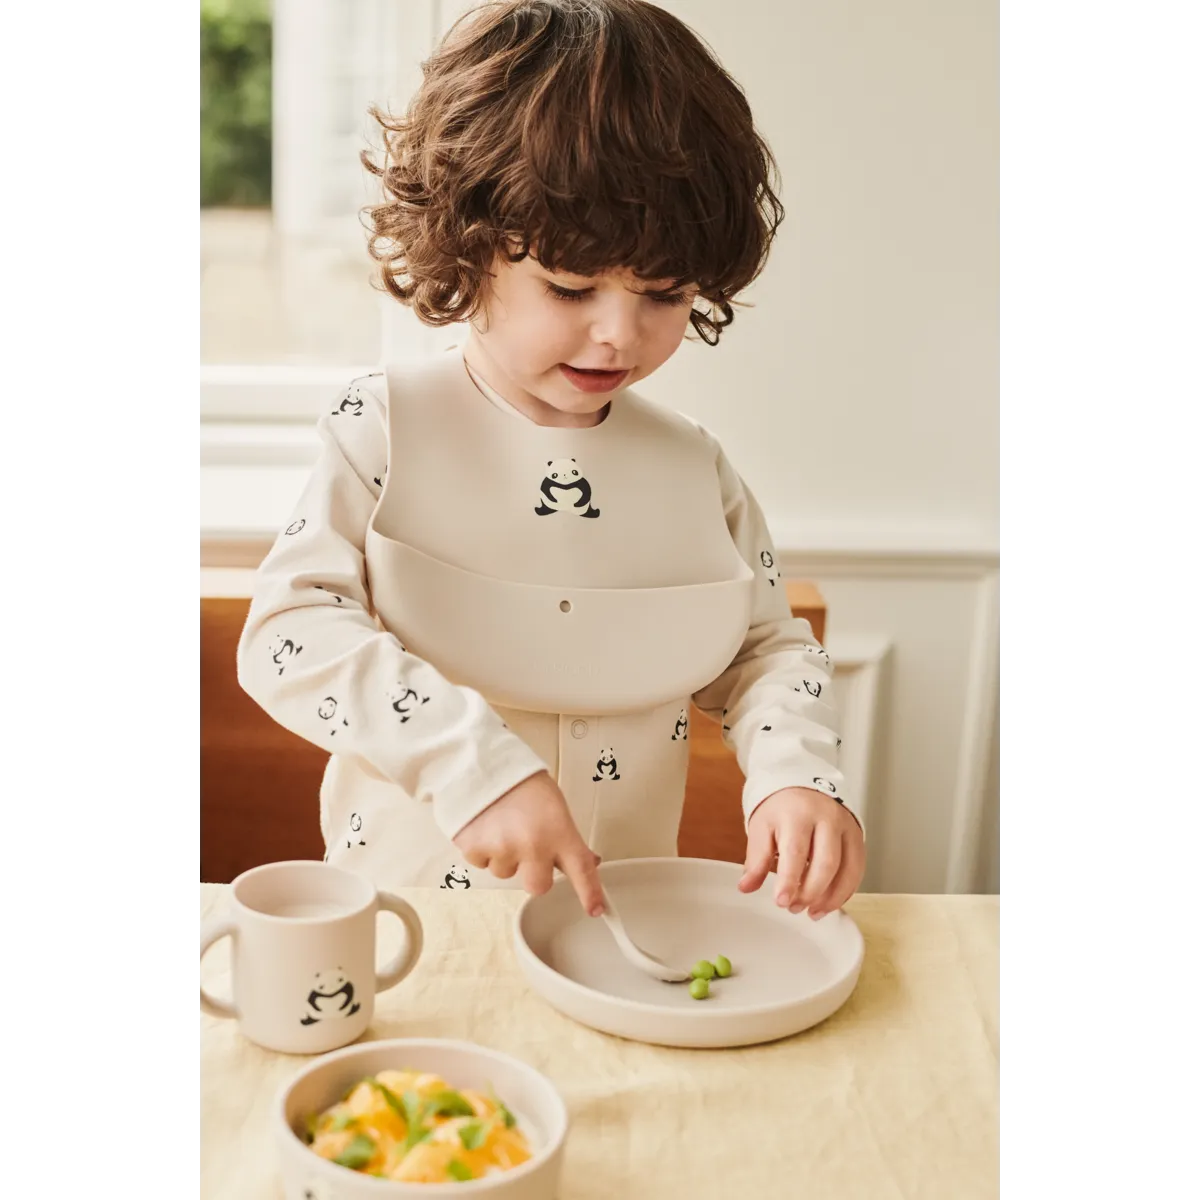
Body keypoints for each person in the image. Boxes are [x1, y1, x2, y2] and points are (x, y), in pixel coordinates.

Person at [237, 0, 865, 923]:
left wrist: (796, 773)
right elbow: (291, 635)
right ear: (467, 247)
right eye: (570, 286)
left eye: (663, 294)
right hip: (411, 925)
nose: (619, 334)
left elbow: (765, 649)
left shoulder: (694, 469)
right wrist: (470, 763)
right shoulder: (382, 428)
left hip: (618, 928)